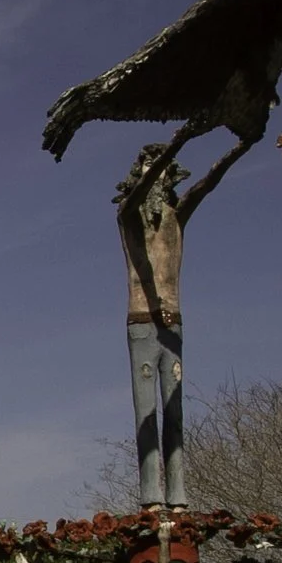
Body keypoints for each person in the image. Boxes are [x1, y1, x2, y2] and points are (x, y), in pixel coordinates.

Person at [115, 143, 190, 509]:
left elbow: (207, 186)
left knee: (174, 413)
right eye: (148, 166)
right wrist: (170, 149)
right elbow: (139, 197)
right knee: (146, 415)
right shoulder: (128, 214)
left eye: (161, 169)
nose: (156, 174)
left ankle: (178, 494)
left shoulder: (176, 216)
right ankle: (151, 496)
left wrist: (242, 146)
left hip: (173, 326)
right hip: (141, 324)